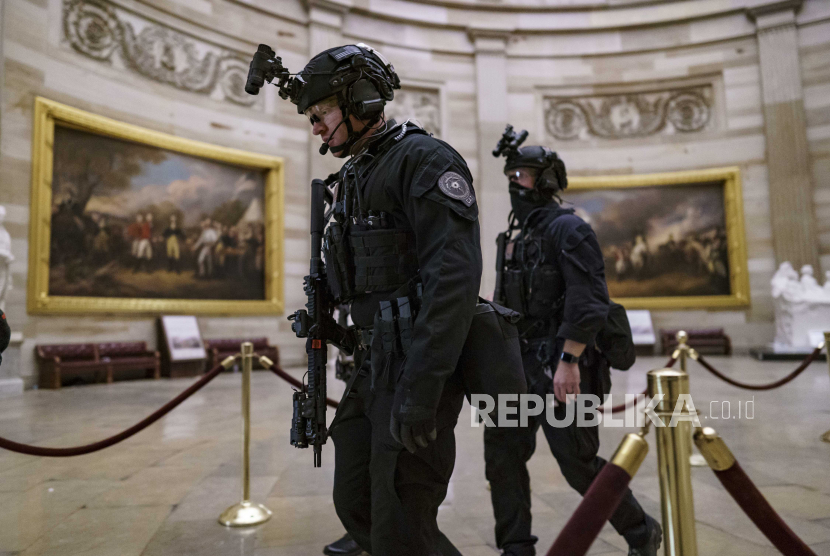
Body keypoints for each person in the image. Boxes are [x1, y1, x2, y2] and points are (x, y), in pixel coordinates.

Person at [253, 43, 481, 556]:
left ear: (359, 101)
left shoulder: (423, 159)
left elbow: (454, 281)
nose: (314, 127)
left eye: (320, 113)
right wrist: (326, 319)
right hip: (370, 364)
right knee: (355, 497)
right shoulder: (357, 173)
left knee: (400, 512)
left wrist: (423, 387)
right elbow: (366, 273)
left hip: (412, 367)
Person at [487, 128, 662, 556]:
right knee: (504, 461)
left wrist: (569, 361)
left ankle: (642, 532)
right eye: (511, 174)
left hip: (563, 365)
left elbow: (589, 301)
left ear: (546, 181)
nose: (515, 183)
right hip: (516, 366)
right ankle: (516, 547)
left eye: (523, 175)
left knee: (579, 465)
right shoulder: (513, 237)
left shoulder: (570, 230)